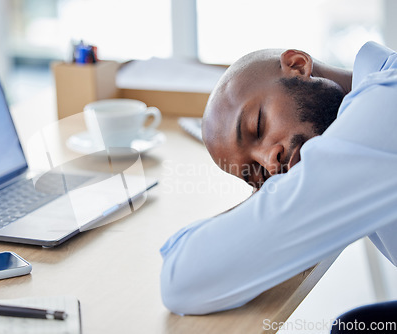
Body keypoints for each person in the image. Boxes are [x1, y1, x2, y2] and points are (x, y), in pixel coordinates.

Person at [159, 41, 397, 317]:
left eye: (258, 125)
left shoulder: (385, 107)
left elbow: (182, 280)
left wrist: (275, 197)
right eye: (256, 175)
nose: (270, 163)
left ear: (297, 65)